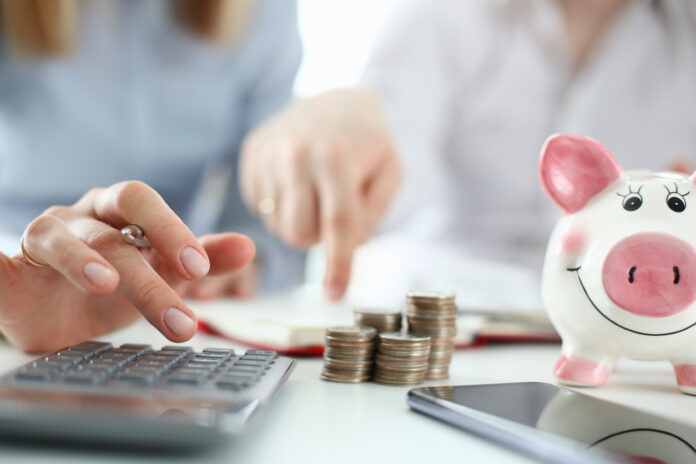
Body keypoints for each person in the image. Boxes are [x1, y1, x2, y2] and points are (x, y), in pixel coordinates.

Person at [241, 0, 696, 299]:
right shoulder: (443, 16)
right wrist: (347, 161)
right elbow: (396, 156)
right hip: (446, 331)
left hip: (634, 342)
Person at [0, 0, 303, 351]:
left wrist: (252, 259)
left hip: (178, 291)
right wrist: (16, 275)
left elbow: (264, 195)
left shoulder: (265, 10)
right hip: (26, 284)